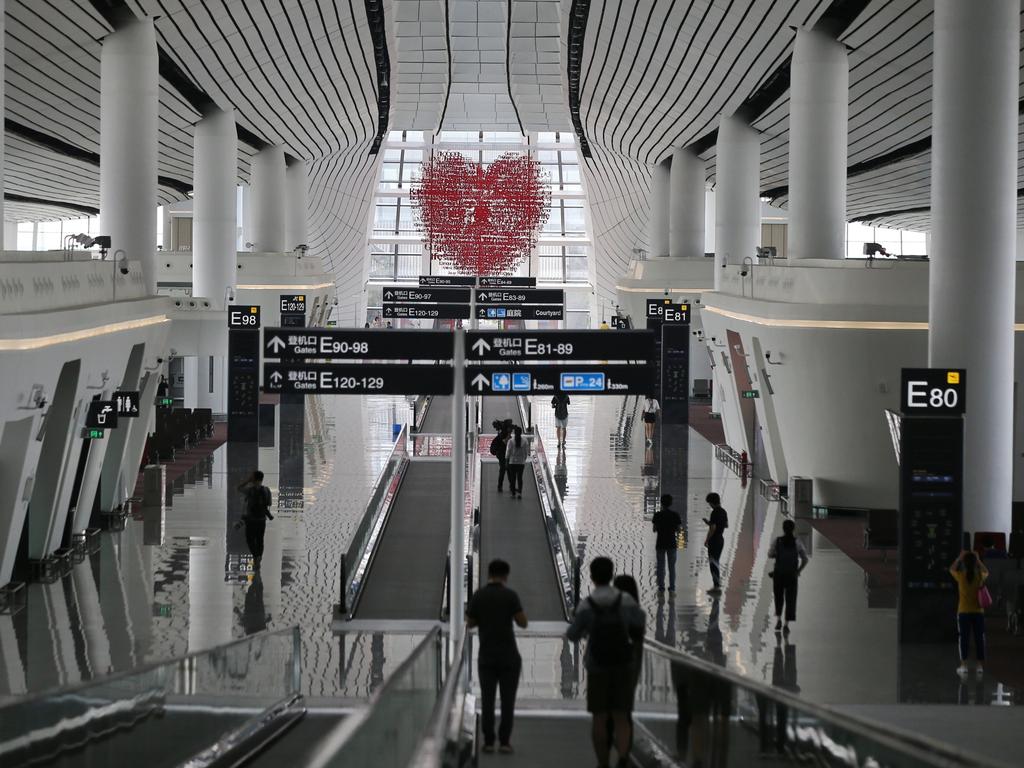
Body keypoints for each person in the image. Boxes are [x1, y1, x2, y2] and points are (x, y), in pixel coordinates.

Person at [567, 557, 646, 768]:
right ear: (611, 575)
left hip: (597, 666)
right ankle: (622, 758)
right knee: (621, 715)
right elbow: (639, 624)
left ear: (591, 577)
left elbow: (572, 635)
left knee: (600, 717)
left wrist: (583, 625)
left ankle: (603, 763)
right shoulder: (626, 601)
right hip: (624, 665)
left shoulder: (586, 605)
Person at [466, 559, 528, 754]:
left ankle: (488, 741)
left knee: (488, 700)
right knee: (507, 701)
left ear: (489, 574)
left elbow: (471, 623)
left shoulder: (479, 596)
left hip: (486, 657)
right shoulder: (510, 596)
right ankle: (504, 742)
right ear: (506, 576)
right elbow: (522, 622)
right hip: (509, 657)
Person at [949, 550, 989, 678]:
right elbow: (986, 571)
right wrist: (978, 560)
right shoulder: (979, 576)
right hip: (978, 612)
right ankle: (979, 666)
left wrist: (959, 558)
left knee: (964, 639)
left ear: (964, 564)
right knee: (979, 639)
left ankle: (964, 666)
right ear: (975, 563)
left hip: (963, 612)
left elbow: (951, 569)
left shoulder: (960, 576)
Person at [768, 519, 810, 633]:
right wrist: (798, 571)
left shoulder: (777, 541)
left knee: (779, 597)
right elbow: (805, 559)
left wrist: (777, 554)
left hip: (779, 574)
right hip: (792, 575)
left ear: (783, 528)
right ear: (793, 529)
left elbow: (770, 554)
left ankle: (778, 621)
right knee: (790, 599)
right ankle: (786, 624)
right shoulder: (797, 543)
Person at [236, 471, 273, 569]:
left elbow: (238, 488)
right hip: (261, 520)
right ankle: (259, 557)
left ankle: (256, 556)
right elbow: (269, 504)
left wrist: (247, 480)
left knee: (250, 539)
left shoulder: (249, 490)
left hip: (250, 519)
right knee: (260, 540)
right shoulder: (267, 490)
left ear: (253, 479)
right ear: (262, 479)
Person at [652, 494, 682, 593]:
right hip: (672, 544)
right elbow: (678, 530)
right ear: (671, 503)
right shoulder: (675, 515)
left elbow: (654, 529)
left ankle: (661, 587)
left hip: (660, 543)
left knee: (660, 566)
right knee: (672, 567)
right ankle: (672, 587)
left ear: (661, 503)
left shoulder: (657, 515)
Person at [703, 493, 728, 594]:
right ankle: (716, 585)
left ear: (712, 502)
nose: (709, 505)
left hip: (714, 541)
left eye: (709, 503)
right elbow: (725, 525)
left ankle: (716, 587)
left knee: (713, 563)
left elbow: (713, 528)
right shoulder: (723, 511)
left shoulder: (714, 512)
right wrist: (709, 522)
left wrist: (707, 540)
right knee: (715, 562)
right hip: (720, 539)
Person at [505, 426, 529, 498]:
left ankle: (513, 493)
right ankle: (520, 493)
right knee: (520, 478)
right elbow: (526, 452)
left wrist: (507, 460)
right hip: (521, 462)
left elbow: (508, 452)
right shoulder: (525, 441)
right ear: (521, 433)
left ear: (514, 433)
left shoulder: (511, 441)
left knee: (513, 478)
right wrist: (523, 459)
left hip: (512, 462)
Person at [489, 420, 510, 492]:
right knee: (506, 470)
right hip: (503, 454)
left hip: (502, 454)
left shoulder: (501, 434)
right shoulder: (502, 434)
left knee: (503, 470)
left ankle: (500, 486)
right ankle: (510, 486)